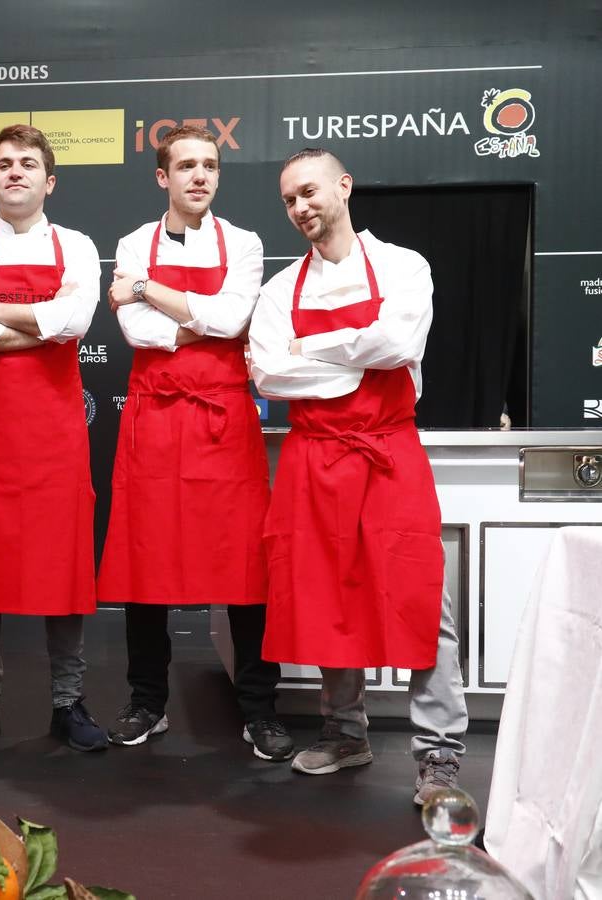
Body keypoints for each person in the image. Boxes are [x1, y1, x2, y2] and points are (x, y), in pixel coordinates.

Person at [249, 147, 467, 803]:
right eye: (290, 200)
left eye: (310, 192)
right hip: (314, 462)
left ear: (343, 187)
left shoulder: (403, 266)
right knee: (325, 600)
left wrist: (311, 347)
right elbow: (268, 373)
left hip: (387, 453)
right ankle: (346, 734)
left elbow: (399, 345)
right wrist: (354, 352)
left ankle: (438, 757)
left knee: (422, 600)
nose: (301, 207)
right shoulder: (277, 290)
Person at [99, 124, 293, 762]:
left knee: (243, 567)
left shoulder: (244, 241)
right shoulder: (133, 239)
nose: (199, 176)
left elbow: (234, 318)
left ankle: (258, 709)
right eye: (185, 166)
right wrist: (194, 322)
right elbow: (133, 329)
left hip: (222, 419)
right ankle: (147, 701)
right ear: (163, 177)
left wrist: (151, 292)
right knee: (145, 563)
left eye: (209, 165)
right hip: (154, 417)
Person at [0, 125, 105, 752]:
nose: (16, 172)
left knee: (63, 570)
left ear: (49, 180)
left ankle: (69, 702)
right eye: (5, 164)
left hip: (55, 436)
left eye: (29, 164)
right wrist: (43, 319)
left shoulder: (79, 246)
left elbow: (79, 321)